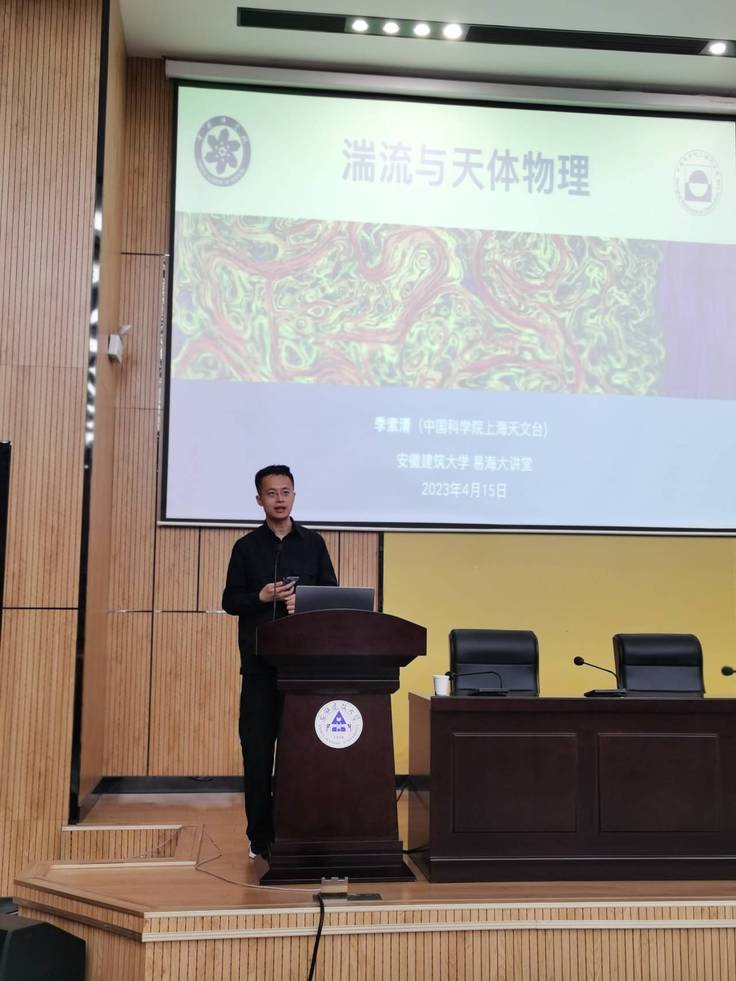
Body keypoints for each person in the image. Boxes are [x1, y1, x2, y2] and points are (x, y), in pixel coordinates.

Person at [222, 464, 337, 859]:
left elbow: (332, 596)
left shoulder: (314, 544)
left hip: (302, 670)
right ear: (259, 500)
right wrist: (262, 596)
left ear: (294, 495)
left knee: (301, 755)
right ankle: (260, 837)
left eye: (285, 492)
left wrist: (302, 602)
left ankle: (298, 828)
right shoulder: (246, 548)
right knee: (257, 755)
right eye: (271, 493)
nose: (279, 499)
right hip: (259, 668)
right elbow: (230, 601)